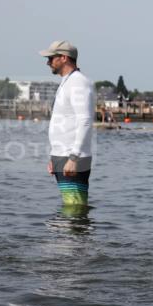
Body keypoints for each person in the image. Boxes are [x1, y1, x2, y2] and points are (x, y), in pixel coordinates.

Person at [40, 41, 95, 207]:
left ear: (64, 58)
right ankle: (68, 233)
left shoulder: (79, 83)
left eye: (51, 58)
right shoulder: (67, 82)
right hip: (62, 155)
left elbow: (85, 120)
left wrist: (73, 157)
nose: (48, 62)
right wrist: (54, 156)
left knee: (74, 208)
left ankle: (76, 233)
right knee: (69, 207)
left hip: (72, 158)